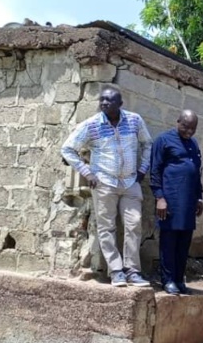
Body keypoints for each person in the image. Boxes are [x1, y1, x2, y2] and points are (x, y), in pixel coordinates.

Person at [61, 85, 152, 287]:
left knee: (134, 224)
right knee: (106, 227)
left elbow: (147, 144)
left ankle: (132, 271)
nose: (104, 103)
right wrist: (87, 172)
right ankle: (116, 271)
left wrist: (143, 168)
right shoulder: (91, 125)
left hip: (130, 181)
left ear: (120, 103)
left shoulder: (134, 121)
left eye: (109, 100)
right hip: (104, 182)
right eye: (101, 99)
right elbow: (67, 149)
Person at [149, 111, 203, 295]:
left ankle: (180, 279)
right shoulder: (163, 140)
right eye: (185, 126)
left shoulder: (194, 144)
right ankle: (167, 280)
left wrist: (199, 197)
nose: (189, 131)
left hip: (189, 202)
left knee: (184, 243)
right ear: (178, 122)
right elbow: (155, 170)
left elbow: (196, 172)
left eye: (193, 128)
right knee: (169, 242)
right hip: (170, 200)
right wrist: (160, 198)